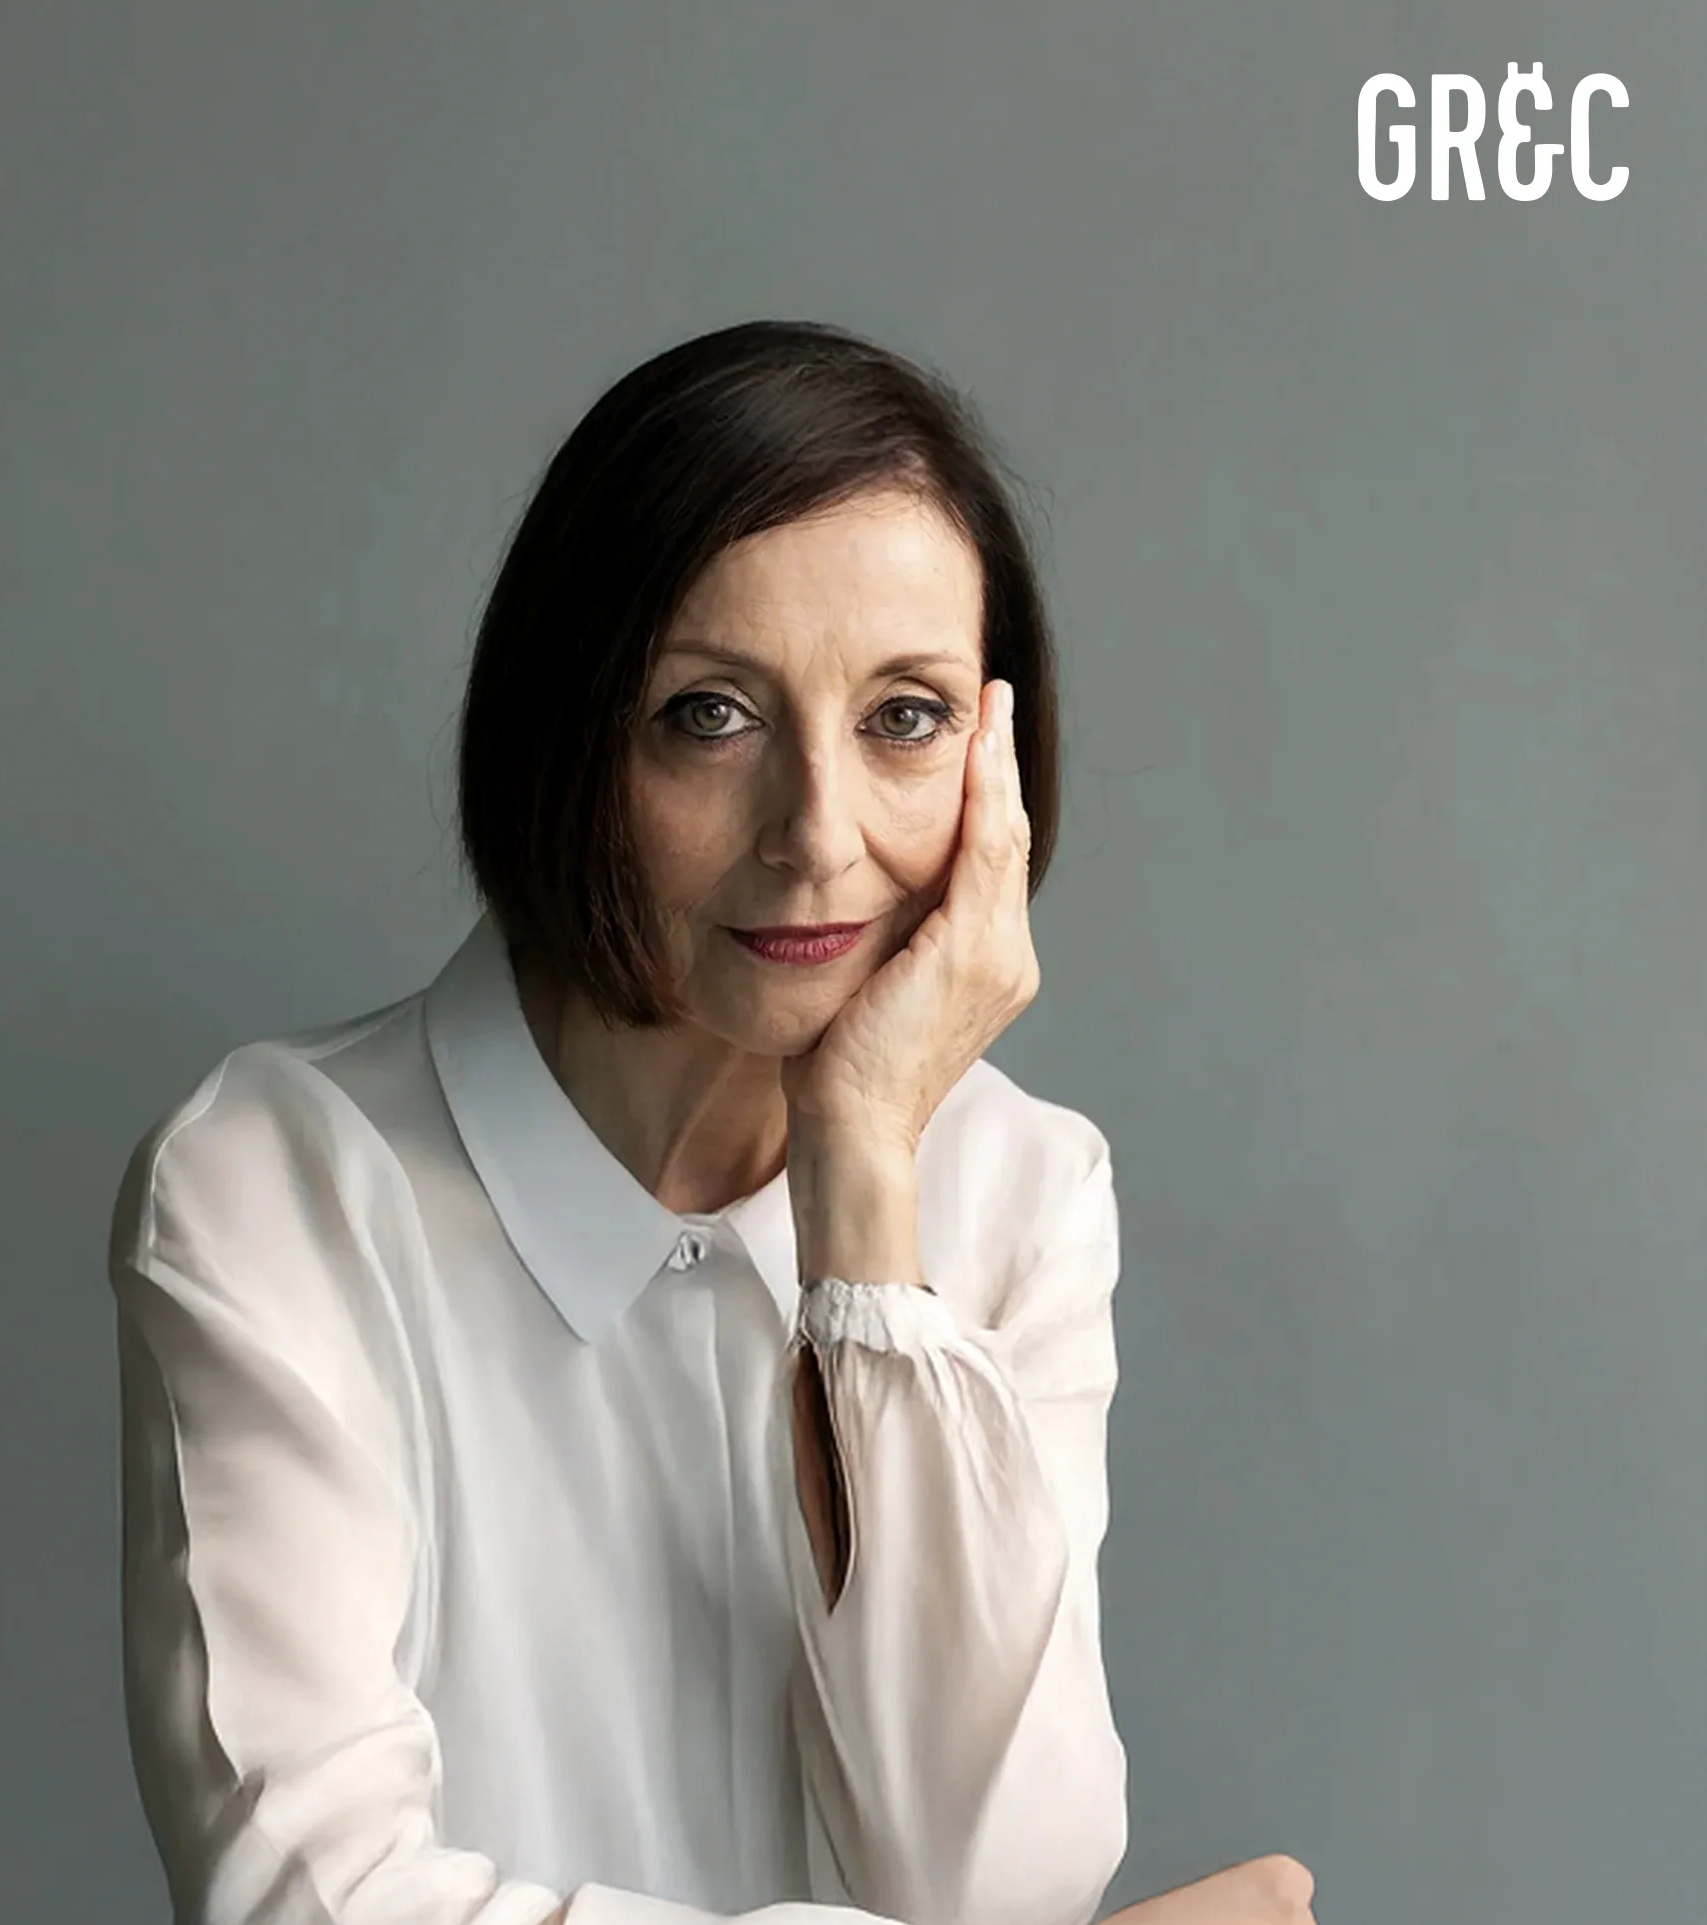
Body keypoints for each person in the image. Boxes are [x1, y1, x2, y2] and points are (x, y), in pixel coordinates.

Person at [107, 320, 1317, 1925]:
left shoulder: (1024, 1189)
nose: (817, 834)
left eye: (905, 717)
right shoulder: (274, 1188)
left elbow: (993, 1884)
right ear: (568, 740)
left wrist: (865, 1185)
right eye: (710, 714)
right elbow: (308, 1898)